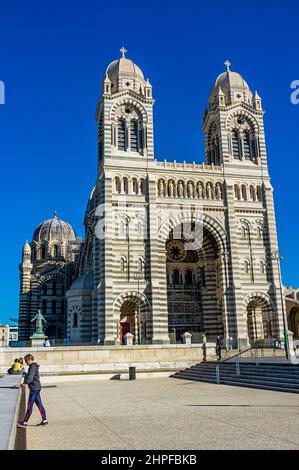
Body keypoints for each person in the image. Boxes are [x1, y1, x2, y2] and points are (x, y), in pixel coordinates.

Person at [16, 354, 48, 428]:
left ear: (30, 359)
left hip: (34, 389)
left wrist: (22, 384)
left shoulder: (33, 366)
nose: (26, 362)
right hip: (36, 388)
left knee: (29, 405)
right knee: (39, 405)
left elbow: (30, 378)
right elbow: (31, 376)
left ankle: (24, 423)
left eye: (26, 360)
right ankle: (45, 421)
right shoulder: (33, 366)